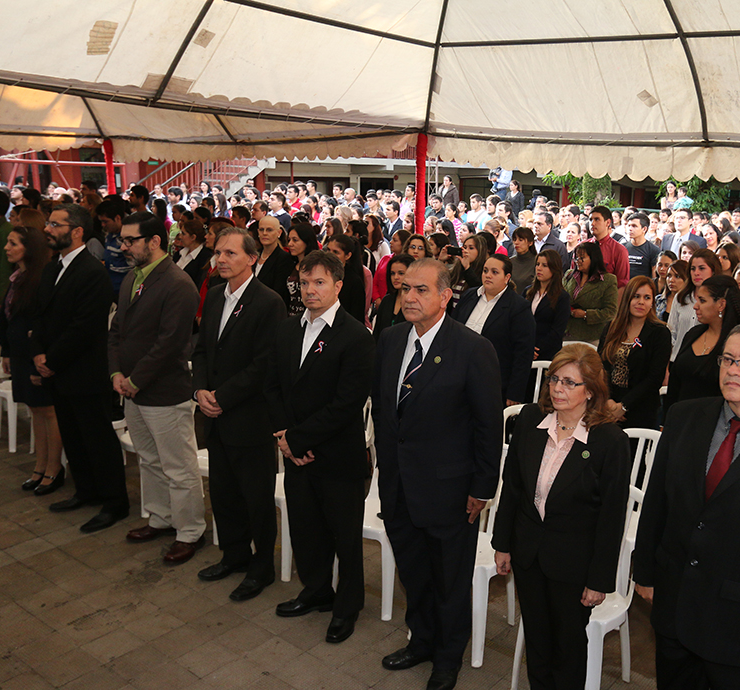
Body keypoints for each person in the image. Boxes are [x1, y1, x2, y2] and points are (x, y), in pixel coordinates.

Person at [373, 258, 503, 690]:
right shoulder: (391, 339)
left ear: (446, 296)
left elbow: (488, 426)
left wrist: (482, 488)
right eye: (405, 288)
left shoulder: (472, 348)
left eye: (421, 290)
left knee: (449, 581)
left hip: (450, 490)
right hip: (398, 485)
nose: (409, 296)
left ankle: (447, 659)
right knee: (414, 572)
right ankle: (422, 640)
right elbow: (385, 411)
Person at [493, 344, 630, 690]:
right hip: (528, 553)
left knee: (567, 648)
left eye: (570, 382)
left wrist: (599, 579)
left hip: (574, 565)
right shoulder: (530, 421)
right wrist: (502, 543)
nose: (557, 388)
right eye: (554, 379)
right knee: (537, 642)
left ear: (591, 390)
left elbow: (612, 517)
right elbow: (513, 488)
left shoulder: (609, 441)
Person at [265, 250, 375, 645]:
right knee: (306, 528)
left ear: (338, 286)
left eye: (319, 282)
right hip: (295, 452)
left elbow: (346, 403)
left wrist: (298, 439)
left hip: (337, 456)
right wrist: (284, 436)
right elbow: (273, 386)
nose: (310, 290)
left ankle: (347, 606)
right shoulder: (287, 329)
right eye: (305, 282)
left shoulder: (355, 336)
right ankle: (315, 591)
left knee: (345, 537)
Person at [634, 324, 740, 690]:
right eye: (728, 359)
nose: (733, 370)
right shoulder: (683, 416)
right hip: (674, 603)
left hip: (732, 623)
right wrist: (644, 572)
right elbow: (656, 502)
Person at [192, 227, 287, 599]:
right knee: (223, 493)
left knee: (256, 498)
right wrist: (200, 390)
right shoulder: (216, 295)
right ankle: (233, 555)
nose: (221, 259)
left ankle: (262, 567)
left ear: (252, 258)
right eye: (219, 252)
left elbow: (265, 364)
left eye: (230, 253)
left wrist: (222, 396)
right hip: (215, 414)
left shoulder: (268, 301)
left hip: (249, 417)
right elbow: (201, 349)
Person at [108, 212, 205, 564]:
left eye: (130, 240)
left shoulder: (177, 283)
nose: (124, 247)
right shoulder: (132, 278)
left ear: (154, 241)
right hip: (132, 388)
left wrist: (135, 379)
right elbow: (117, 331)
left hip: (163, 391)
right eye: (123, 240)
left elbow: (171, 344)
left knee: (178, 467)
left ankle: (190, 530)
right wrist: (116, 373)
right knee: (149, 460)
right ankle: (161, 517)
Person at [30, 204, 129, 532]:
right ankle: (86, 491)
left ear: (76, 232)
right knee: (72, 436)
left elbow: (84, 327)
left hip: (84, 370)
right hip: (58, 369)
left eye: (55, 224)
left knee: (97, 438)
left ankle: (114, 502)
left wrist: (51, 360)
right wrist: (38, 352)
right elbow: (41, 315)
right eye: (48, 223)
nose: (48, 229)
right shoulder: (52, 268)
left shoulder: (92, 271)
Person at [0, 225, 64, 494]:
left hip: (35, 355)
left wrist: (39, 359)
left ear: (30, 248)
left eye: (13, 243)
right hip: (20, 353)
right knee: (34, 409)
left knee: (48, 410)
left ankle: (54, 467)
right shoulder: (18, 277)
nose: (7, 248)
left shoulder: (40, 280)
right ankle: (40, 465)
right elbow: (7, 319)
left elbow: (43, 324)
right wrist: (6, 351)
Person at [454, 255, 536, 406]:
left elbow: (523, 354)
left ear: (507, 277)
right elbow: (453, 331)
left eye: (494, 272)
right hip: (459, 374)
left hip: (493, 382)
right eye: (485, 271)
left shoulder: (518, 307)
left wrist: (515, 392)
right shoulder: (469, 295)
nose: (488, 275)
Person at [598, 276, 672, 429]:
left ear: (652, 302)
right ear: (627, 298)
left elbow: (655, 378)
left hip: (641, 409)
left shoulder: (660, 333)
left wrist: (624, 406)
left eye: (647, 297)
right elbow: (601, 367)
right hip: (607, 406)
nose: (641, 302)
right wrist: (607, 401)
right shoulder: (611, 327)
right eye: (636, 296)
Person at [665, 275, 740, 415]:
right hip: (679, 418)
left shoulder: (734, 344)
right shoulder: (693, 334)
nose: (695, 306)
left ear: (721, 305)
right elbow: (675, 384)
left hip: (713, 421)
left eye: (702, 300)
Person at [668, 249, 723, 361]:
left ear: (713, 271)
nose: (696, 273)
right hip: (677, 359)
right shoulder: (681, 297)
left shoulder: (720, 300)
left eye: (701, 268)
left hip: (704, 360)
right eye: (693, 269)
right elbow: (671, 332)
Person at [563, 241, 619, 344]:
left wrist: (586, 314)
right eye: (576, 258)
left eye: (582, 258)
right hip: (567, 333)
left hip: (591, 337)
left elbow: (610, 312)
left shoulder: (608, 280)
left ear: (594, 259)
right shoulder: (569, 275)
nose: (578, 261)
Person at [525, 249, 572, 362]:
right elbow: (520, 322)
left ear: (554, 268)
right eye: (537, 264)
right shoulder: (528, 291)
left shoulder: (562, 297)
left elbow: (557, 331)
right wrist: (525, 346)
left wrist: (536, 348)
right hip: (525, 349)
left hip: (547, 354)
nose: (539, 268)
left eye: (544, 265)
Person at [254, 215, 294, 308]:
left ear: (279, 233)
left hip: (269, 308)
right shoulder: (254, 256)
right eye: (261, 229)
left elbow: (279, 292)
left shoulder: (284, 259)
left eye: (269, 230)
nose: (264, 233)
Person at [589, 206, 629, 297]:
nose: (592, 223)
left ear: (608, 222)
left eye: (597, 219)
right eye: (590, 219)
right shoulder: (581, 247)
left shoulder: (619, 250)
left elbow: (622, 285)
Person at [373, 253, 413, 342]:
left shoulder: (415, 302)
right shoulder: (387, 300)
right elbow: (377, 333)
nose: (396, 277)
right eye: (392, 273)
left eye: (401, 273)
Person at [328, 233, 366, 323]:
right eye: (328, 250)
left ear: (348, 255)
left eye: (335, 252)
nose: (330, 255)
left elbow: (357, 316)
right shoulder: (321, 274)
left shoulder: (354, 281)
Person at [286, 223, 318, 316]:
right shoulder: (290, 265)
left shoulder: (317, 267)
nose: (290, 244)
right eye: (289, 240)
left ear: (307, 241)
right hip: (291, 316)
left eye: (295, 240)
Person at [175, 220, 212, 289]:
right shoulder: (180, 253)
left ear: (193, 237)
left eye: (183, 234)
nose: (180, 237)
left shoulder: (204, 258)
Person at [624, 212, 659, 279]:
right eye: (629, 225)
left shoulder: (653, 250)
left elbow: (654, 276)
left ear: (644, 229)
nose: (630, 229)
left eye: (634, 226)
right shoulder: (622, 247)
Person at [510, 226, 537, 294]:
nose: (516, 242)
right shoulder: (510, 262)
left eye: (520, 240)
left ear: (530, 243)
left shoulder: (537, 262)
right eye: (514, 239)